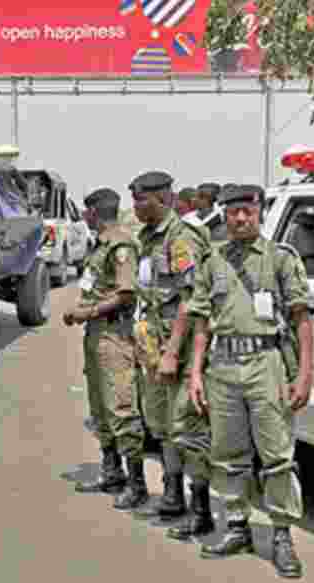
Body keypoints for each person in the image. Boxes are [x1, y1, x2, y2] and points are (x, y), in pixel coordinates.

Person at [186, 184, 314, 579]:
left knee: (276, 454)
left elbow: (301, 318)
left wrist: (304, 374)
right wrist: (195, 372)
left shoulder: (279, 259)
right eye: (233, 212)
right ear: (224, 215)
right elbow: (202, 322)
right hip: (222, 366)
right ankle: (237, 525)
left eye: (248, 211)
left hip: (266, 361)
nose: (241, 218)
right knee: (227, 452)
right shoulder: (213, 261)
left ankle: (281, 535)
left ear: (259, 213)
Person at [127, 171, 210, 519]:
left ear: (161, 199)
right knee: (160, 424)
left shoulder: (181, 238)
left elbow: (191, 301)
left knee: (187, 427)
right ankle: (173, 491)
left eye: (140, 200)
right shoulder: (147, 238)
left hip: (181, 349)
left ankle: (201, 504)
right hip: (154, 346)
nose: (135, 207)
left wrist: (174, 353)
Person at [63, 188, 144, 496]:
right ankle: (113, 472)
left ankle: (136, 484)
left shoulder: (120, 245)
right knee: (100, 408)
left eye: (87, 211)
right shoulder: (101, 246)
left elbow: (126, 295)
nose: (85, 216)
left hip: (114, 334)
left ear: (95, 212)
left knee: (121, 407)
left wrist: (87, 312)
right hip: (96, 333)